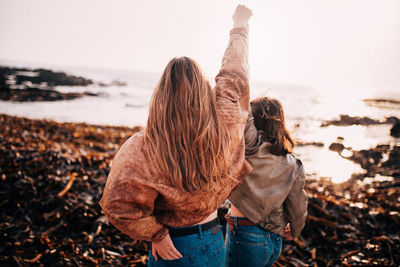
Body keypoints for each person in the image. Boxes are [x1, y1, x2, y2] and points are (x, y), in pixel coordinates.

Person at [99, 4, 253, 267]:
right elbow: (235, 73)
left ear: (161, 97)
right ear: (204, 91)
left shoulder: (143, 147)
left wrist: (156, 235)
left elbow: (117, 205)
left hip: (174, 247)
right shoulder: (225, 119)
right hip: (216, 239)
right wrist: (240, 26)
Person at [225, 96, 308, 267]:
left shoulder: (251, 147)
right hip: (274, 241)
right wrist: (295, 230)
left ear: (254, 120)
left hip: (247, 236)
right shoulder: (294, 163)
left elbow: (240, 112)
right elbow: (298, 205)